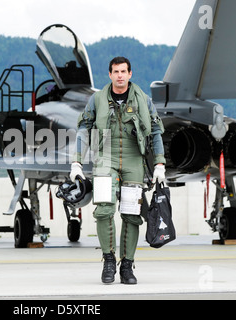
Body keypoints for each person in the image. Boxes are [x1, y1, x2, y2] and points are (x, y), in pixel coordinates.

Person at [70, 57, 166, 284]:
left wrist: (160, 163)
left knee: (132, 214)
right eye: (116, 71)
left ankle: (127, 266)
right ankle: (109, 260)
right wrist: (77, 161)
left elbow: (155, 131)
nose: (120, 75)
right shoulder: (97, 99)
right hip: (105, 157)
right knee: (104, 209)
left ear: (130, 74)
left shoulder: (144, 100)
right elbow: (84, 128)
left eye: (124, 71)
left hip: (134, 158)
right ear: (110, 74)